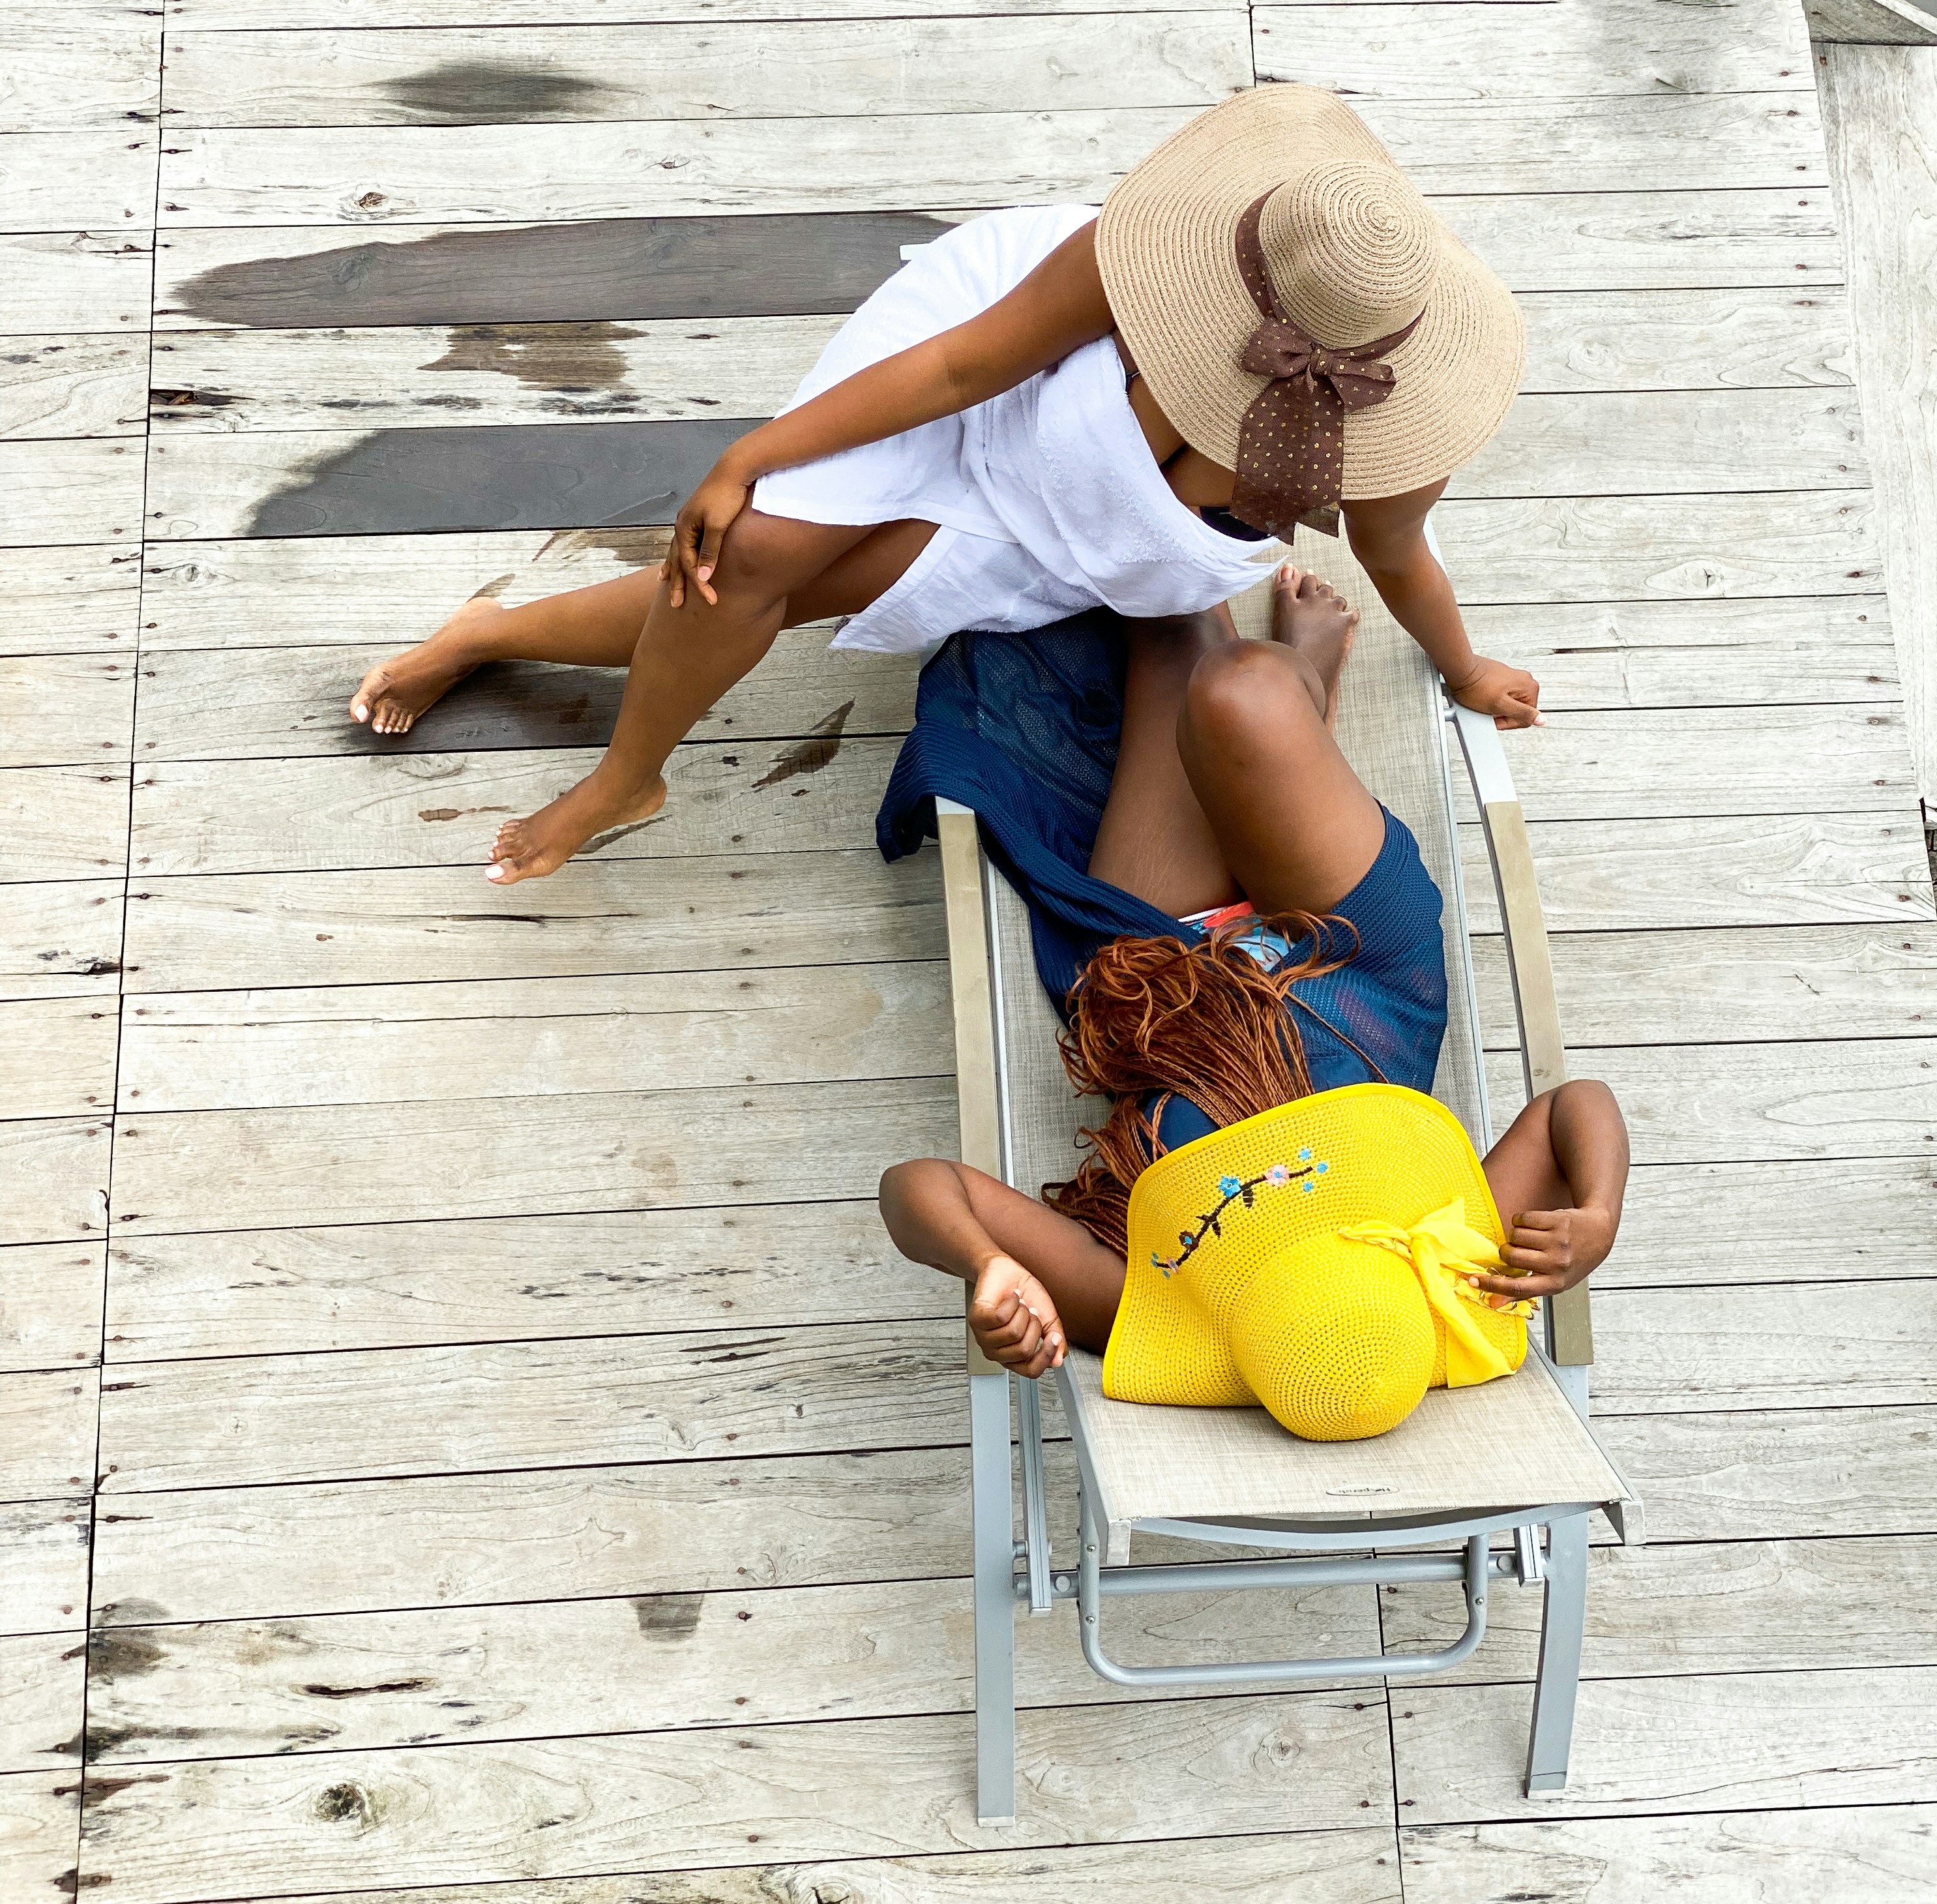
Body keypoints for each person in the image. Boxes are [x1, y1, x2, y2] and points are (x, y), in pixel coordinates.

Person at [346, 86, 1542, 884]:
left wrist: (1465, 664)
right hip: (990, 367)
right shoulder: (1137, 263)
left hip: (1068, 532)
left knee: (780, 580)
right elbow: (963, 366)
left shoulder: (1388, 435)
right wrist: (752, 453)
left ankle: (492, 633)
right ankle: (626, 776)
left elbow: (1395, 556)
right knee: (755, 541)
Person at [875, 567, 1628, 1415]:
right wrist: (1597, 1214)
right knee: (1246, 690)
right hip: (1358, 963)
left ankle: (1292, 721)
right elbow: (1573, 1108)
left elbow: (918, 1185)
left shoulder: (1151, 1302)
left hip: (1173, 980)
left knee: (1185, 628)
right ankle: (1304, 694)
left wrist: (987, 1263)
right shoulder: (1458, 1269)